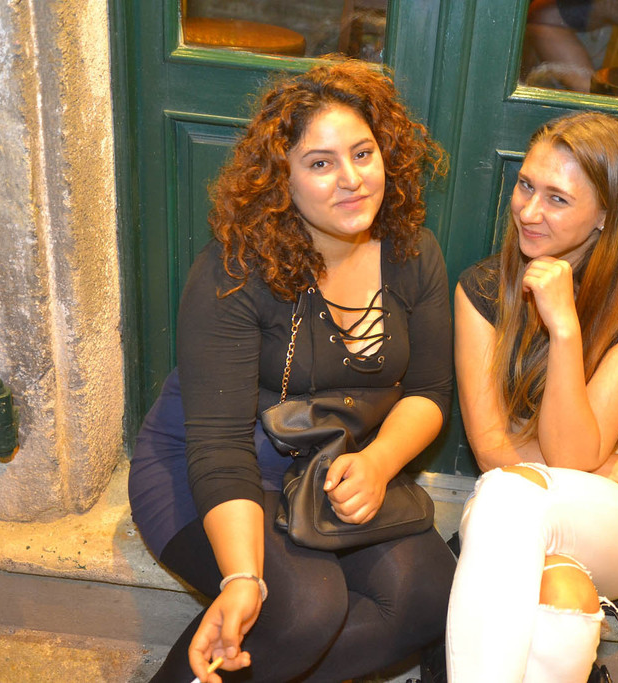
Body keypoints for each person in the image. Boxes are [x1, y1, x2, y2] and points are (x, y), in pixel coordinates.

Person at [128, 60, 456, 683]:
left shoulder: (414, 253)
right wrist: (242, 577)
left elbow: (429, 392)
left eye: (363, 153)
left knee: (427, 596)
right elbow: (218, 446)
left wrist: (379, 461)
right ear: (283, 179)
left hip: (326, 467)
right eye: (320, 163)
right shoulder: (235, 268)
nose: (352, 179)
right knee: (304, 609)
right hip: (210, 468)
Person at [446, 111, 618, 682]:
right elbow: (491, 449)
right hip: (564, 485)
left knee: (507, 495)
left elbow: (569, 456)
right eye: (526, 186)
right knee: (561, 593)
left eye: (557, 198)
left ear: (606, 214)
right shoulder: (483, 289)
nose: (529, 211)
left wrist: (564, 328)